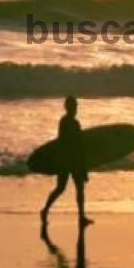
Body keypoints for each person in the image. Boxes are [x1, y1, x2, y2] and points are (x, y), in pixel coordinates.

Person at [40, 96, 92, 228]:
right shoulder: (65, 122)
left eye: (76, 107)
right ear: (67, 108)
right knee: (60, 188)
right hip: (66, 160)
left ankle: (81, 216)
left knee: (79, 188)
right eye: (73, 107)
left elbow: (80, 145)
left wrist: (84, 167)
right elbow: (66, 142)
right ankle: (45, 210)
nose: (75, 109)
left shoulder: (75, 123)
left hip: (73, 160)